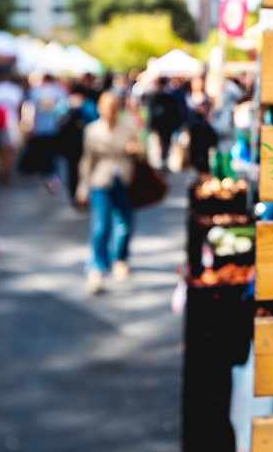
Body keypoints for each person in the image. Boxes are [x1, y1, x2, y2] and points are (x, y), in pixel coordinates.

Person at [78, 91, 142, 295]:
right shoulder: (92, 130)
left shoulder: (129, 126)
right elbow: (87, 160)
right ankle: (97, 264)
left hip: (123, 177)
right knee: (101, 225)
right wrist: (83, 186)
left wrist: (136, 150)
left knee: (125, 223)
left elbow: (142, 151)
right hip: (101, 179)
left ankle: (120, 258)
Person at [20, 73, 67, 192]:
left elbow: (29, 111)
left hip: (38, 129)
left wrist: (28, 127)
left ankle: (48, 179)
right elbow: (63, 112)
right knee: (51, 157)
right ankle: (52, 180)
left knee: (41, 156)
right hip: (54, 130)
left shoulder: (35, 92)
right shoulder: (59, 92)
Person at [146, 76, 184, 168]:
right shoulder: (155, 97)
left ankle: (163, 161)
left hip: (165, 126)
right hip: (162, 126)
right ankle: (161, 161)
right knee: (161, 145)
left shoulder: (166, 97)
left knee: (164, 144)